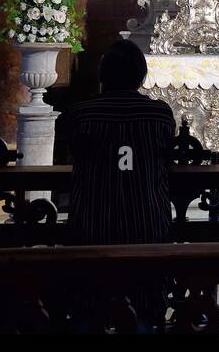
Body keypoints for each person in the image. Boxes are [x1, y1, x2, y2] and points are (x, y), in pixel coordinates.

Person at [68, 39, 176, 330]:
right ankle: (146, 319)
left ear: (103, 75)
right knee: (145, 300)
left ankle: (90, 317)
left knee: (90, 303)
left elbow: (75, 154)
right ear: (141, 76)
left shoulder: (81, 114)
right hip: (146, 226)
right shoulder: (159, 115)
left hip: (93, 226)